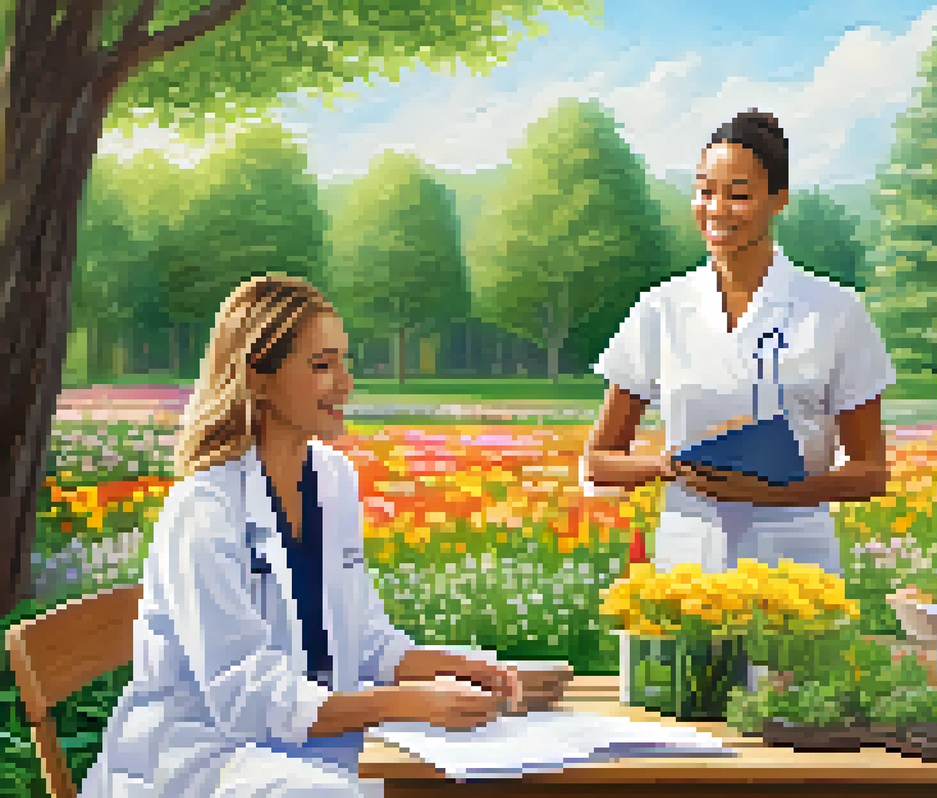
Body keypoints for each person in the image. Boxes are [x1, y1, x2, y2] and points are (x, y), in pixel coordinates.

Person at [84, 275, 524, 798]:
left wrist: (460, 668)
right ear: (259, 377)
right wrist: (406, 701)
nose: (345, 382)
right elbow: (243, 698)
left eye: (345, 361)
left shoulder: (333, 481)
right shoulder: (203, 510)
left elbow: (365, 640)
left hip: (300, 739)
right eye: (322, 365)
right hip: (199, 755)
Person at [583, 109, 894, 575]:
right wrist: (667, 467)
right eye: (705, 191)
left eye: (739, 194)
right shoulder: (661, 309)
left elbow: (870, 471)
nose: (716, 209)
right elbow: (599, 461)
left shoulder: (836, 311)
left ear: (778, 199)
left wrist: (775, 494)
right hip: (688, 566)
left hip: (796, 569)